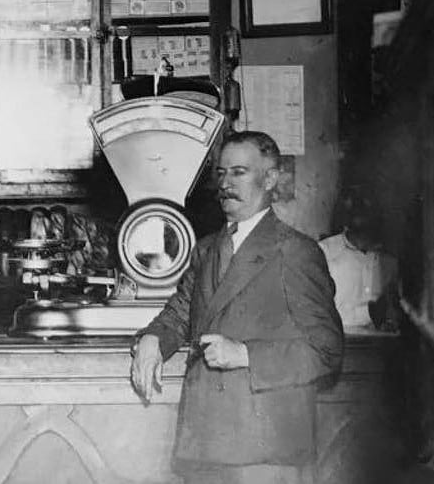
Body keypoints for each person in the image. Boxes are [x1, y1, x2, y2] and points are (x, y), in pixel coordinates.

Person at [129, 131, 343, 484]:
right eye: (221, 173)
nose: (226, 184)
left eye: (239, 172)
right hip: (204, 442)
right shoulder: (206, 249)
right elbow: (180, 313)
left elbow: (327, 351)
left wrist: (246, 354)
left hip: (265, 450)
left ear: (270, 179)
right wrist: (153, 339)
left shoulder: (295, 252)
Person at [320, 188, 399, 331]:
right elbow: (316, 313)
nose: (360, 207)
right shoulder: (325, 252)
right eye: (355, 203)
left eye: (367, 203)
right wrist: (369, 313)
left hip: (379, 343)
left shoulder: (390, 263)